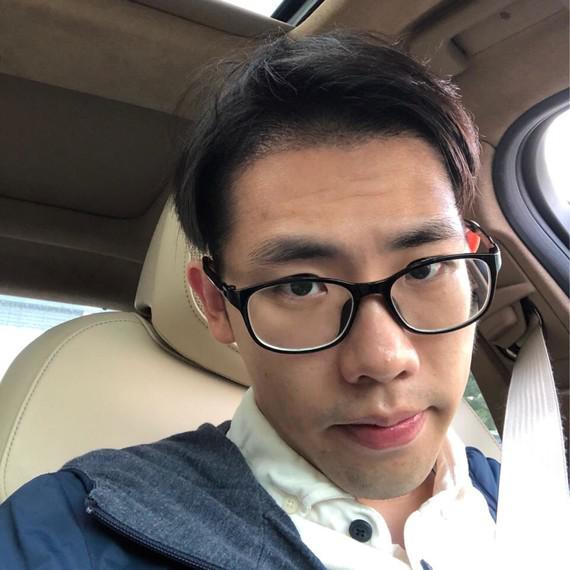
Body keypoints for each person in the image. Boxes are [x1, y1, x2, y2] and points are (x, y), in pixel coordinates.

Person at [0, 32, 501, 569]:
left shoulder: (532, 491)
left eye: (424, 269)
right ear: (217, 305)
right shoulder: (68, 533)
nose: (383, 359)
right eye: (301, 286)